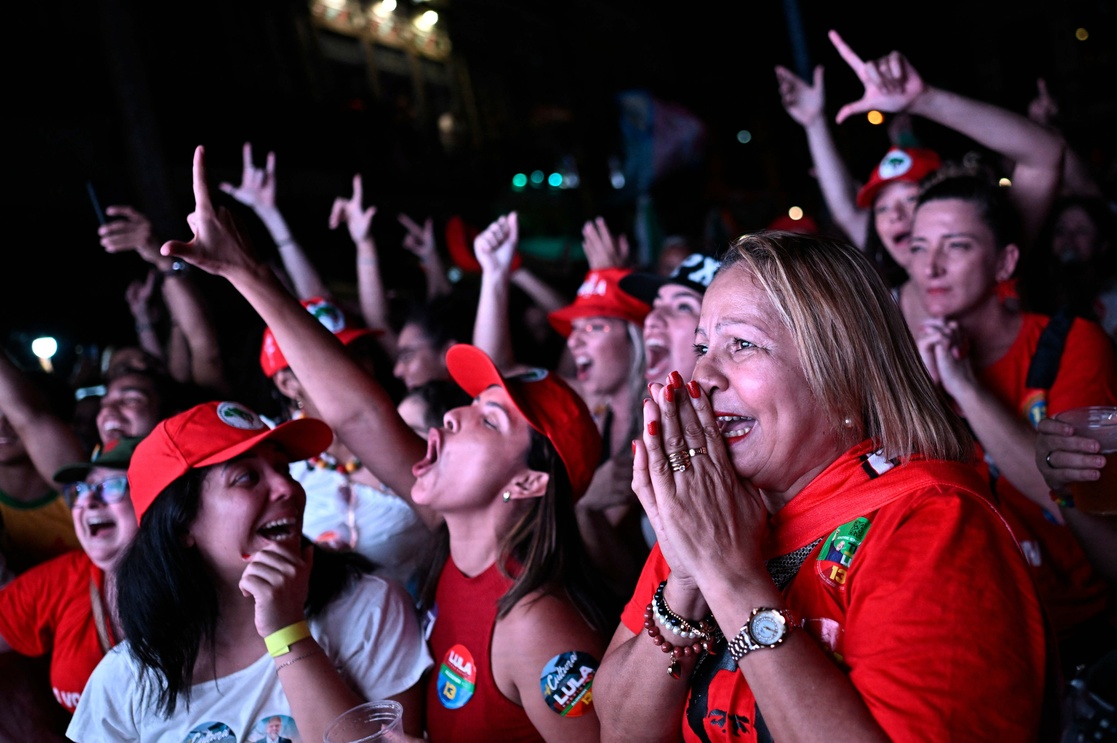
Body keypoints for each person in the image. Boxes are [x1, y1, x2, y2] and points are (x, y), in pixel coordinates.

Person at [155, 144, 610, 742]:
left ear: (528, 482)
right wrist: (245, 271)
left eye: (490, 421)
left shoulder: (538, 625)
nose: (451, 419)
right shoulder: (458, 550)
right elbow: (359, 415)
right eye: (470, 405)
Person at [593, 230, 1058, 741]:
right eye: (702, 346)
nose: (701, 375)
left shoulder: (935, 523)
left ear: (840, 369)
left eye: (742, 344)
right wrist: (684, 583)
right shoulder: (711, 505)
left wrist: (727, 577)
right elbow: (619, 730)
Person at [67, 400, 430, 742]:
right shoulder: (129, 678)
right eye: (246, 478)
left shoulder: (368, 607)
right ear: (181, 526)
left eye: (283, 469)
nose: (287, 488)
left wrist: (287, 633)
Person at [908, 168, 1117, 678]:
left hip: (1085, 632)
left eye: (955, 246)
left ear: (1005, 261)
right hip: (986, 635)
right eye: (917, 247)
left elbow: (1066, 494)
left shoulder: (1071, 343)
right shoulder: (913, 361)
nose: (931, 266)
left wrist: (965, 387)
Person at [775, 30, 1065, 330]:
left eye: (910, 200)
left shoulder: (990, 255)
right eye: (882, 209)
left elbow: (1044, 157)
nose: (895, 216)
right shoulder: (891, 302)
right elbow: (846, 209)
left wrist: (925, 100)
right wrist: (814, 123)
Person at [260, 295, 432, 590]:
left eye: (359, 353)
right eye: (331, 358)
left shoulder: (414, 428)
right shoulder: (267, 457)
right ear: (287, 384)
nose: (352, 370)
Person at [0, 436, 141, 716]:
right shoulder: (63, 578)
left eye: (110, 486)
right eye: (82, 489)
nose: (89, 500)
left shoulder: (216, 580)